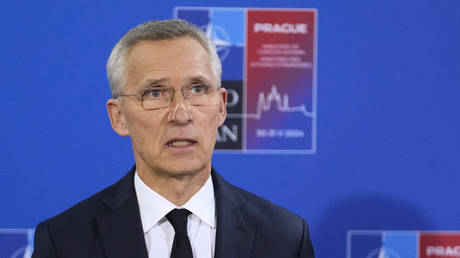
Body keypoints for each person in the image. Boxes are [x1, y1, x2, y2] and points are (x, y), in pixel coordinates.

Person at [32, 19, 315, 258]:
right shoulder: (65, 241)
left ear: (220, 107)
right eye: (155, 93)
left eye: (197, 89)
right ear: (118, 117)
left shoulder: (284, 238)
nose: (181, 114)